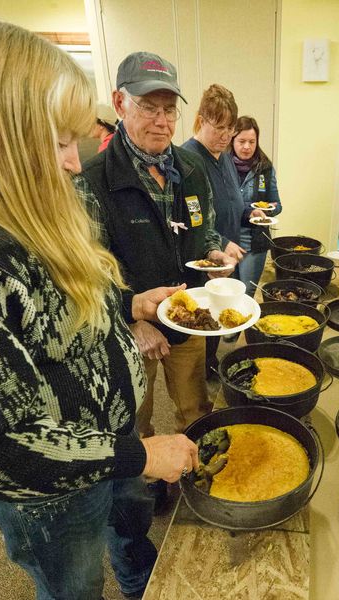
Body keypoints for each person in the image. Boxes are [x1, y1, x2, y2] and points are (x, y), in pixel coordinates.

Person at [0, 19, 199, 600]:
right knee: (74, 584)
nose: (75, 163)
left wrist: (130, 303)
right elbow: (5, 447)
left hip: (112, 442)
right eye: (56, 142)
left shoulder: (38, 210)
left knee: (130, 534)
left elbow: (64, 313)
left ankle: (136, 585)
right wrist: (141, 452)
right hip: (53, 498)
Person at [74, 53, 234, 441]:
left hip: (189, 319)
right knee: (136, 422)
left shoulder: (191, 170)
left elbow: (205, 229)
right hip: (131, 332)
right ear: (119, 103)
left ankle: (196, 471)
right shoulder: (92, 181)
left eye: (169, 109)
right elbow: (88, 273)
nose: (162, 121)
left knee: (195, 409)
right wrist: (133, 320)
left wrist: (214, 254)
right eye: (148, 107)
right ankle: (149, 490)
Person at [182, 85, 265, 359]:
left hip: (225, 261)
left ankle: (209, 367)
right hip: (201, 265)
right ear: (201, 119)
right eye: (218, 127)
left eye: (230, 128)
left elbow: (230, 203)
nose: (225, 136)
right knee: (200, 329)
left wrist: (248, 213)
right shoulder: (188, 160)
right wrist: (224, 242)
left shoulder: (225, 157)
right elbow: (193, 221)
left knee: (218, 322)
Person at [230, 116, 282, 296]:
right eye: (241, 141)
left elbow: (277, 204)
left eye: (252, 141)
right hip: (227, 239)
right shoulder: (223, 166)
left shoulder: (265, 168)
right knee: (228, 291)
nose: (247, 147)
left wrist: (269, 209)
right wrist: (247, 210)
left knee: (246, 292)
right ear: (232, 140)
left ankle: (246, 325)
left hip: (254, 241)